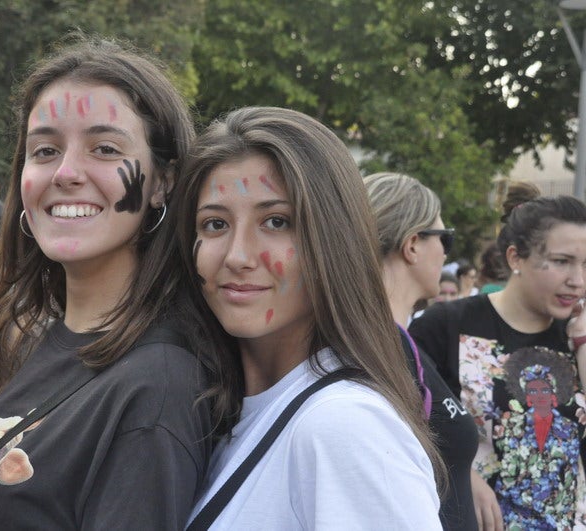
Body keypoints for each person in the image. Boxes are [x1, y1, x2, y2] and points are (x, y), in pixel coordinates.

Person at [0, 38, 216, 530]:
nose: (65, 173)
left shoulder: (158, 388)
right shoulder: (44, 340)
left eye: (105, 149)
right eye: (45, 150)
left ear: (162, 182)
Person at [179, 107, 442, 529]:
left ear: (333, 238)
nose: (238, 256)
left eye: (276, 221)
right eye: (214, 224)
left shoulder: (344, 426)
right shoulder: (218, 415)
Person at [410, 181, 586, 529]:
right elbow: (406, 422)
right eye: (561, 262)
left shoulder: (578, 335)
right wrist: (459, 472)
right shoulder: (445, 325)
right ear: (515, 258)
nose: (577, 280)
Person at [364, 172, 479, 530]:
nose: (447, 252)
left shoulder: (391, 339)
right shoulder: (379, 348)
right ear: (412, 244)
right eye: (445, 238)